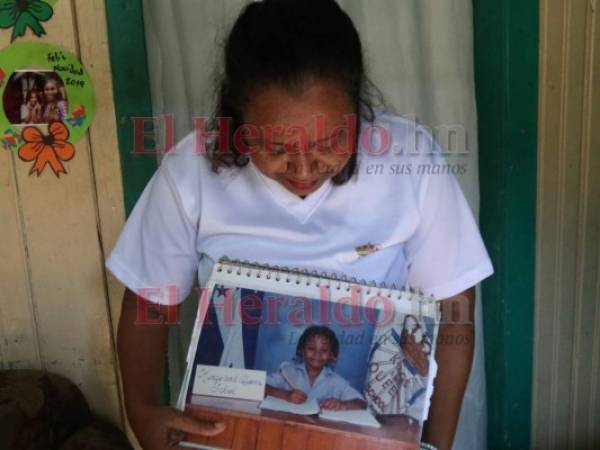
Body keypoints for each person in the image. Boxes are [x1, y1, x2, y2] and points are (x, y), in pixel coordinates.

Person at [107, 0, 494, 449]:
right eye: (275, 147)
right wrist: (142, 411)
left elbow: (454, 307)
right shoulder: (192, 170)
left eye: (331, 141)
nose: (305, 167)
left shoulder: (409, 159)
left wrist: (435, 443)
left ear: (357, 108)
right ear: (239, 122)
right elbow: (149, 302)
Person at [265, 326, 367, 411]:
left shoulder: (336, 381)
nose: (317, 354)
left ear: (331, 355)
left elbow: (361, 404)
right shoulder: (288, 372)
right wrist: (286, 395)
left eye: (324, 350)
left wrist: (341, 404)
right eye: (311, 349)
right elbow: (260, 387)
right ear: (302, 350)